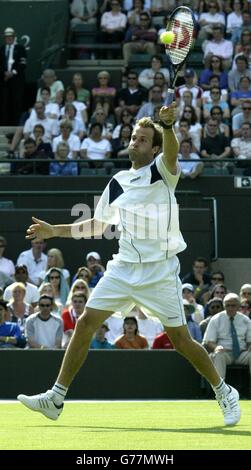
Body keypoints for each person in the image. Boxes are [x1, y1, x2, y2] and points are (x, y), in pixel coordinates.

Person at [17, 104, 241, 426]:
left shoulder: (164, 172)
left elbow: (173, 153)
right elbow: (97, 224)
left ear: (154, 148)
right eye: (133, 137)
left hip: (159, 271)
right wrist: (56, 230)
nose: (134, 142)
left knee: (181, 340)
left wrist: (168, 126)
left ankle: (224, 392)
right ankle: (56, 397)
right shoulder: (118, 180)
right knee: (85, 322)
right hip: (123, 267)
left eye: (142, 139)